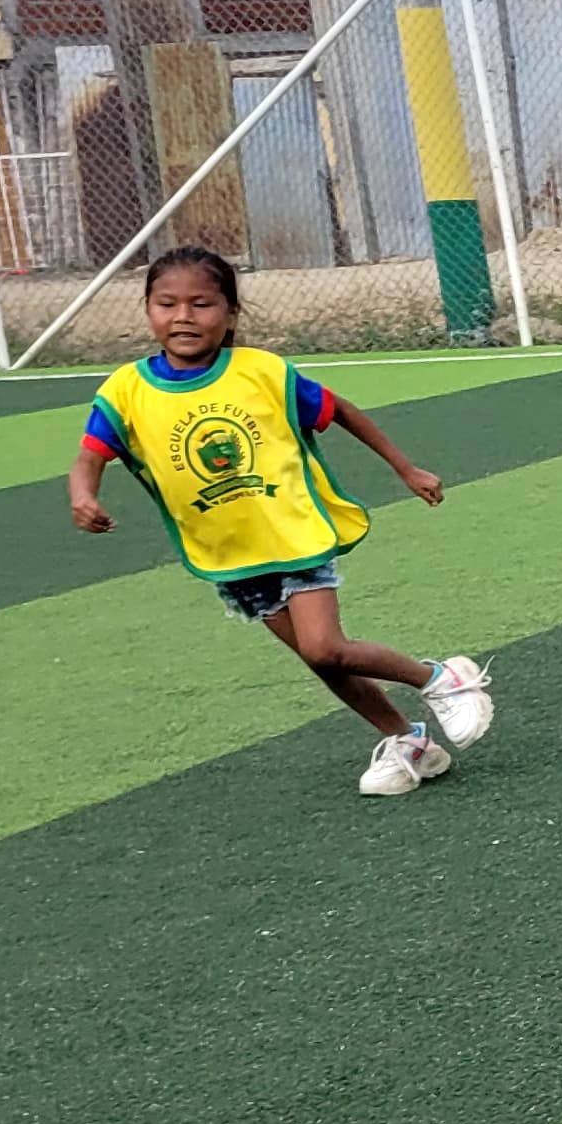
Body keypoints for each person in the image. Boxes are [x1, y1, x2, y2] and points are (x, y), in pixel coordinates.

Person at [65, 247, 496, 797]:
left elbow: (340, 410)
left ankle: (440, 679)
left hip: (294, 532)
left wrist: (405, 469)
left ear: (231, 313)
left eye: (202, 304)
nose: (183, 317)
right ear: (148, 309)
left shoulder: (261, 372)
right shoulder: (126, 391)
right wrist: (83, 495)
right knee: (324, 662)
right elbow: (90, 456)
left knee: (324, 647)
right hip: (231, 553)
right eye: (166, 304)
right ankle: (409, 741)